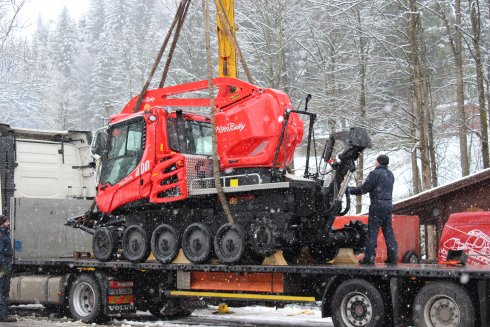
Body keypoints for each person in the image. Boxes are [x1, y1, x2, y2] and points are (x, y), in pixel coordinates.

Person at [347, 154, 398, 265]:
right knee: (388, 231)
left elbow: (363, 189)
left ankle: (369, 257)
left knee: (372, 232)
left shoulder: (375, 174)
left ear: (379, 162)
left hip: (377, 205)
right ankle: (392, 257)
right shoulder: (390, 175)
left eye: (376, 160)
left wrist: (350, 190)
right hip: (388, 205)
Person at [0, 215, 16, 322]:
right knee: (3, 291)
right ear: (2, 223)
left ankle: (3, 314)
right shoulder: (1, 235)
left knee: (4, 291)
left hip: (5, 264)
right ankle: (3, 316)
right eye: (7, 221)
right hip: (4, 265)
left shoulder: (4, 233)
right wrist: (3, 269)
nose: (9, 223)